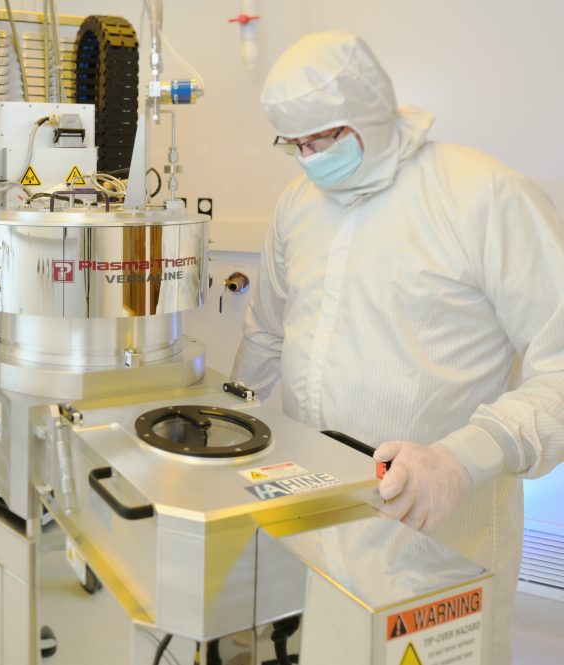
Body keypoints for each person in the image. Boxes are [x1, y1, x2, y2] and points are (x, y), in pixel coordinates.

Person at [232, 30, 564, 664]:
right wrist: (227, 418)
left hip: (438, 525)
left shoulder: (484, 197)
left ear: (370, 112)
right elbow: (266, 333)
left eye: (324, 137)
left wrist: (462, 458)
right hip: (315, 511)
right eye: (295, 144)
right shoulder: (298, 204)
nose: (310, 157)